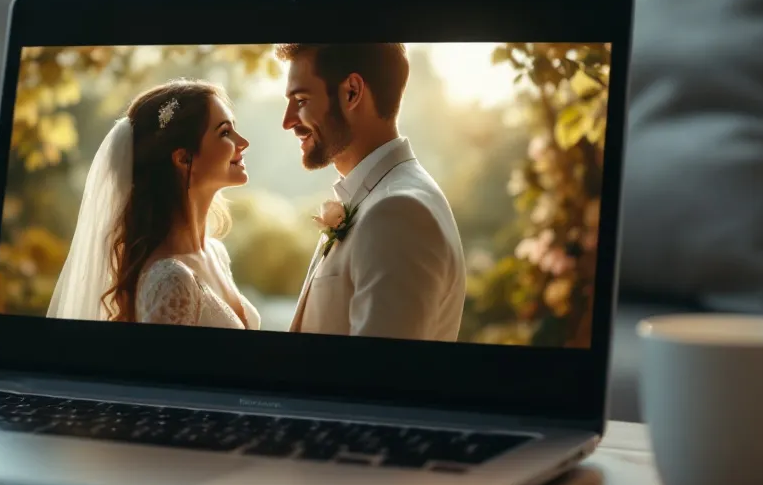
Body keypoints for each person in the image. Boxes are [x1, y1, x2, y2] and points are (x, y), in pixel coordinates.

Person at [277, 43, 466, 341]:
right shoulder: (376, 199)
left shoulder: (398, 213)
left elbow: (378, 380)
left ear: (352, 92)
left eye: (300, 99)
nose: (287, 121)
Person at [48, 79, 260, 329]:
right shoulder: (170, 280)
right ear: (183, 158)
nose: (243, 141)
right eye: (225, 132)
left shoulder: (216, 253)